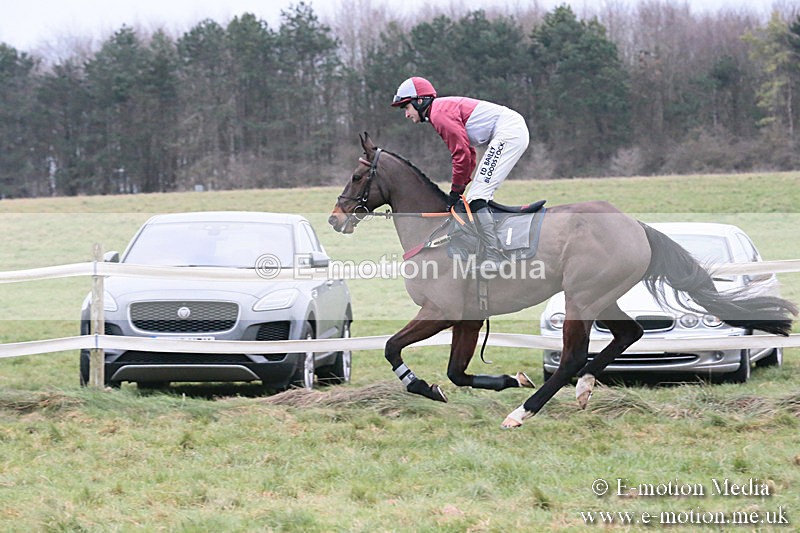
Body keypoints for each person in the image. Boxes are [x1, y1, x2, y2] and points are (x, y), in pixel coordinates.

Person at [391, 76, 530, 271]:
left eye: (406, 107)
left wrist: (456, 191)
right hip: (509, 131)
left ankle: (494, 255)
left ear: (419, 101)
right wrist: (460, 187)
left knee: (477, 196)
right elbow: (469, 154)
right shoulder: (438, 112)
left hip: (509, 132)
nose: (406, 114)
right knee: (476, 195)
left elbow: (462, 154)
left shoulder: (439, 113)